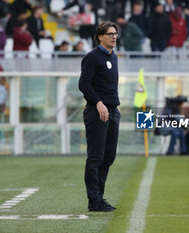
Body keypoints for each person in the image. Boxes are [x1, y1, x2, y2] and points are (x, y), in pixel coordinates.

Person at [78, 21, 121, 212]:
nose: (114, 36)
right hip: (97, 111)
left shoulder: (114, 57)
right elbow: (84, 84)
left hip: (112, 111)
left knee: (109, 156)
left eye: (115, 33)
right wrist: (98, 102)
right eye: (110, 33)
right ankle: (94, 200)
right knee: (96, 156)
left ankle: (99, 198)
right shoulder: (92, 57)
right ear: (100, 36)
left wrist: (114, 107)